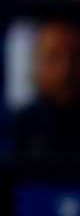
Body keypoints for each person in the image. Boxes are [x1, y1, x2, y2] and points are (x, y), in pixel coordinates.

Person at [12, 19, 80, 157]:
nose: (65, 70)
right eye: (54, 57)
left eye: (76, 57)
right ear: (37, 62)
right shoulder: (20, 126)